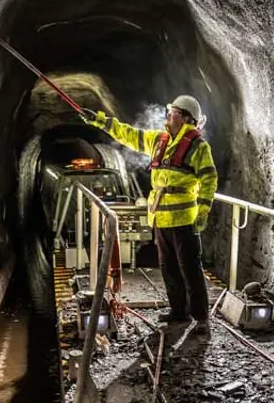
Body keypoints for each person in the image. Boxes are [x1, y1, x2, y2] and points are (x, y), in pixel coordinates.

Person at [80, 95, 217, 334]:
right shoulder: (158, 140)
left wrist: (203, 210)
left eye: (173, 112)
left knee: (191, 269)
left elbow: (209, 178)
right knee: (168, 267)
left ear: (185, 117)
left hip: (184, 219)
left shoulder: (198, 146)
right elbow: (128, 134)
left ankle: (202, 318)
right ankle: (179, 312)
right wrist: (99, 121)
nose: (168, 115)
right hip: (161, 217)